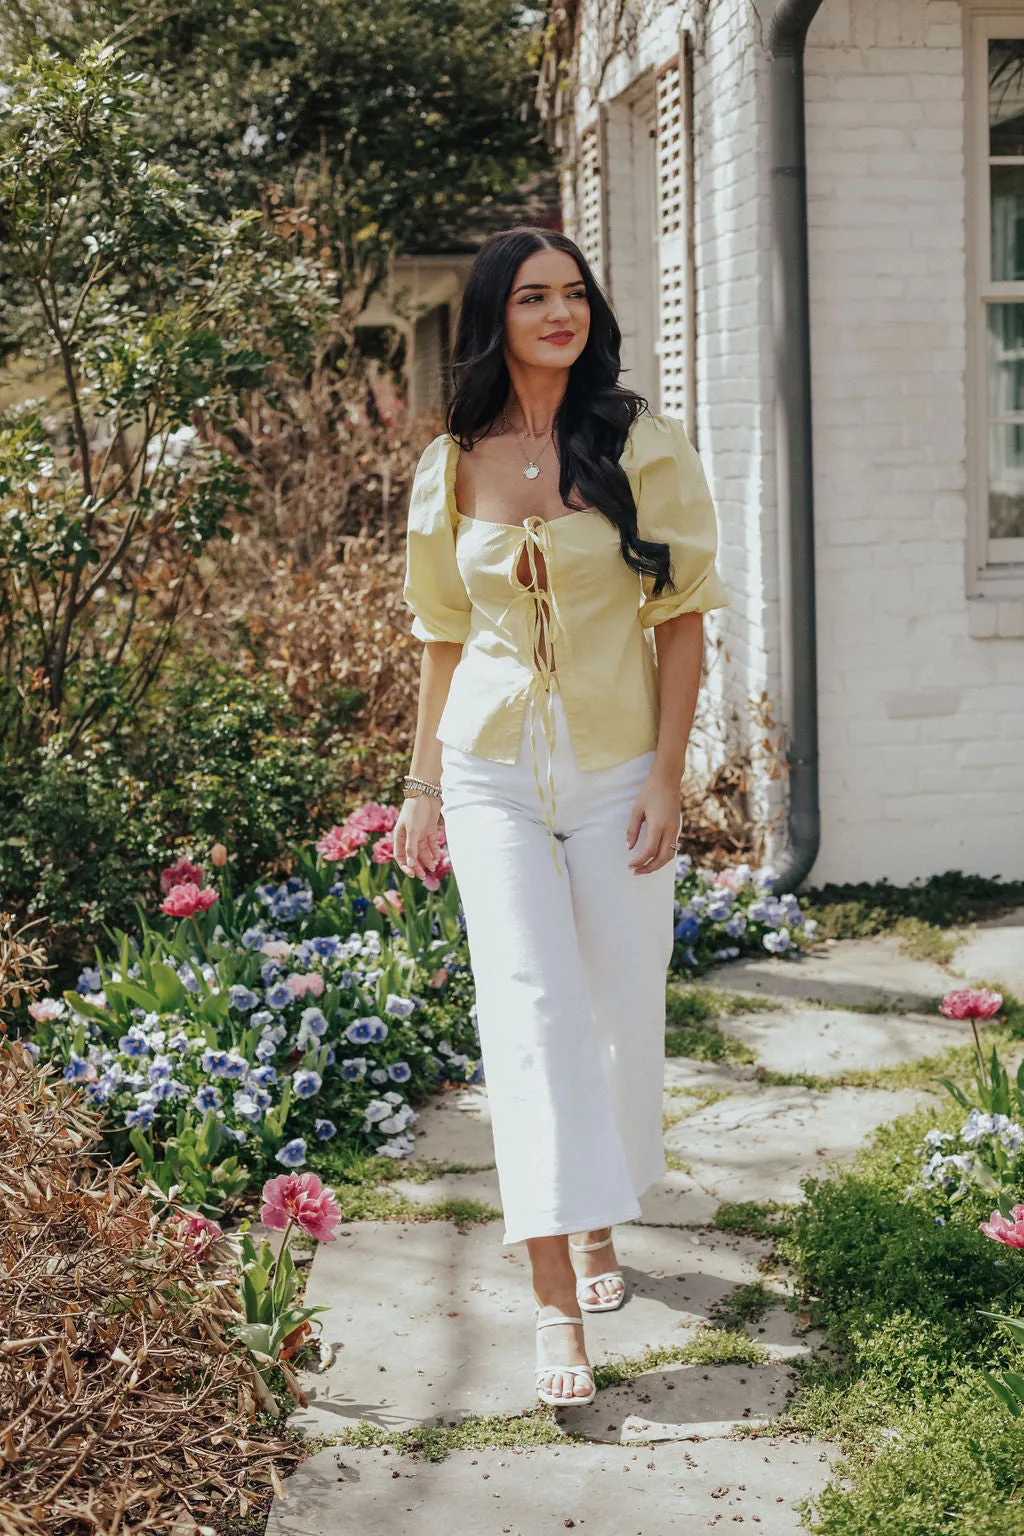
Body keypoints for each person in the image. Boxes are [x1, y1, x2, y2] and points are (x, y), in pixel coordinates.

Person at [395, 226, 728, 1410]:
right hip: (488, 768)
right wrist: (420, 784)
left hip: (613, 765)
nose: (559, 313)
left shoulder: (638, 443)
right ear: (495, 315)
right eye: (533, 297)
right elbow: (443, 636)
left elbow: (680, 617)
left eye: (574, 293)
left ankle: (598, 1214)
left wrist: (666, 776)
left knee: (618, 1013)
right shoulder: (450, 464)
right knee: (527, 1013)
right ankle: (551, 1296)